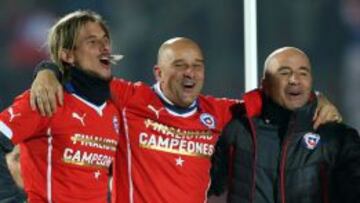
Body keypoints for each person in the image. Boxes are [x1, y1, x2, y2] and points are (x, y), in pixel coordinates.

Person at [30, 38, 341, 203]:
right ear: (158, 73)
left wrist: (319, 98)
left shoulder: (219, 113)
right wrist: (46, 69)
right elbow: (83, 73)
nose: (190, 73)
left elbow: (282, 93)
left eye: (197, 65)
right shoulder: (130, 100)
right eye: (179, 65)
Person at [209, 47, 360, 203]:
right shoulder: (238, 131)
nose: (294, 79)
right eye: (284, 73)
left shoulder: (337, 138)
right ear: (265, 84)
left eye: (303, 73)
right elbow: (205, 187)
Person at [0, 10, 121, 202]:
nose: (104, 47)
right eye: (92, 42)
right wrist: (8, 199)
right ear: (68, 55)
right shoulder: (47, 98)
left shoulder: (114, 109)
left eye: (105, 40)